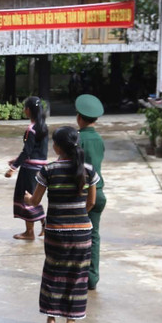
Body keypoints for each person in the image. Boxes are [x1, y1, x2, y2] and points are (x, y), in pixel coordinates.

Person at [23, 127, 99, 323]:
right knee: (77, 277)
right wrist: (79, 216)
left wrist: (28, 198)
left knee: (53, 274)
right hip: (82, 232)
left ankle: (50, 321)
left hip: (56, 231)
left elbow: (35, 201)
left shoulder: (49, 169)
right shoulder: (88, 170)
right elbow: (91, 202)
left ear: (56, 146)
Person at [5, 96, 48, 240]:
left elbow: (27, 151)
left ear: (28, 110)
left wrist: (13, 167)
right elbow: (35, 151)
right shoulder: (43, 127)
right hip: (40, 168)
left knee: (25, 198)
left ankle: (29, 232)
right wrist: (17, 160)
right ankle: (44, 224)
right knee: (33, 197)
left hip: (29, 170)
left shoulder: (31, 129)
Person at [75, 94, 106, 290]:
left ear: (79, 117)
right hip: (100, 191)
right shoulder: (99, 139)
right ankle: (92, 277)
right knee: (94, 236)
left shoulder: (78, 139)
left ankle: (76, 274)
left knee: (77, 237)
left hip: (83, 193)